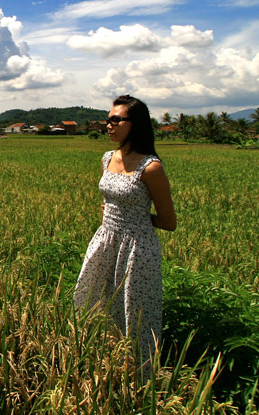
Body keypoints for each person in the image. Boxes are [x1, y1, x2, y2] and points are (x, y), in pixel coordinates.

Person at [73, 95, 176, 370]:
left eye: (116, 120)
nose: (109, 125)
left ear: (136, 124)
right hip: (105, 241)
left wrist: (135, 218)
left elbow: (168, 221)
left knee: (134, 312)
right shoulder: (108, 158)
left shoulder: (151, 167)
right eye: (108, 120)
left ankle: (139, 375)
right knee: (93, 300)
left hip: (136, 248)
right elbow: (109, 200)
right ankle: (101, 364)